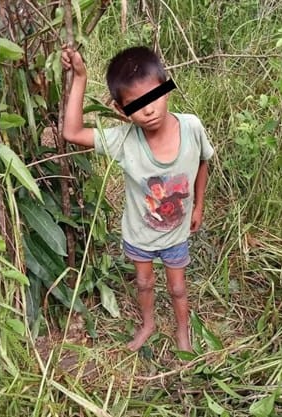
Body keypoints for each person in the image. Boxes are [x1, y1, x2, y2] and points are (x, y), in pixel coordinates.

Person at [61, 46, 215, 352]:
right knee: (143, 283)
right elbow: (72, 132)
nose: (149, 109)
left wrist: (199, 205)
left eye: (154, 96)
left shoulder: (192, 127)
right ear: (121, 111)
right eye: (137, 105)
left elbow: (202, 162)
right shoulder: (123, 140)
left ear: (167, 87)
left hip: (176, 235)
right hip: (139, 235)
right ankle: (148, 325)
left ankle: (183, 332)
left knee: (178, 287)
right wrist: (80, 77)